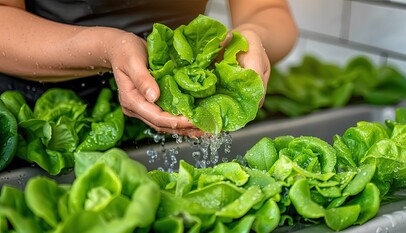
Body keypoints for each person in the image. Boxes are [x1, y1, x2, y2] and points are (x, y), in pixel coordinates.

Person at [0, 0, 298, 137]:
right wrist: (107, 47)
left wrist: (251, 40)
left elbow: (267, 11)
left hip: (179, 109)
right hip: (43, 119)